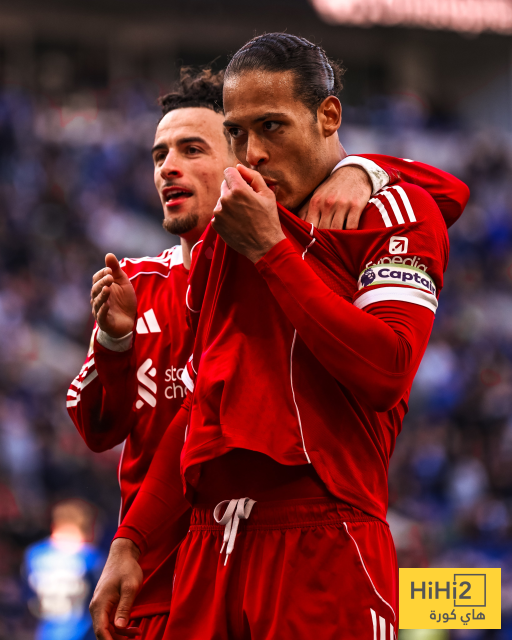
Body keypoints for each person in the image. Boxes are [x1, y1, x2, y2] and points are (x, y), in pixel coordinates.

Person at [90, 35, 471, 640]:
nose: (255, 154)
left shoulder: (390, 211)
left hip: (324, 533)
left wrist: (279, 244)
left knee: (463, 608)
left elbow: (386, 371)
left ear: (329, 115)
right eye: (238, 134)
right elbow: (202, 407)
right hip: (209, 544)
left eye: (271, 127)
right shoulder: (220, 239)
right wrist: (130, 541)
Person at [24, 499, 104, 640]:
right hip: (83, 634)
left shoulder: (34, 555)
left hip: (46, 633)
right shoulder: (90, 558)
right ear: (89, 527)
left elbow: (28, 597)